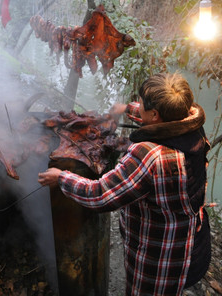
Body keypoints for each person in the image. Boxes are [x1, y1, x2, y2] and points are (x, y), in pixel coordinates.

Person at [38, 73, 211, 296]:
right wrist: (126, 109)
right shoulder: (190, 124)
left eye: (142, 106)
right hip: (188, 238)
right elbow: (159, 118)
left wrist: (61, 177)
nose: (138, 108)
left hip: (159, 256)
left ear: (155, 115)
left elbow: (100, 194)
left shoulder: (150, 156)